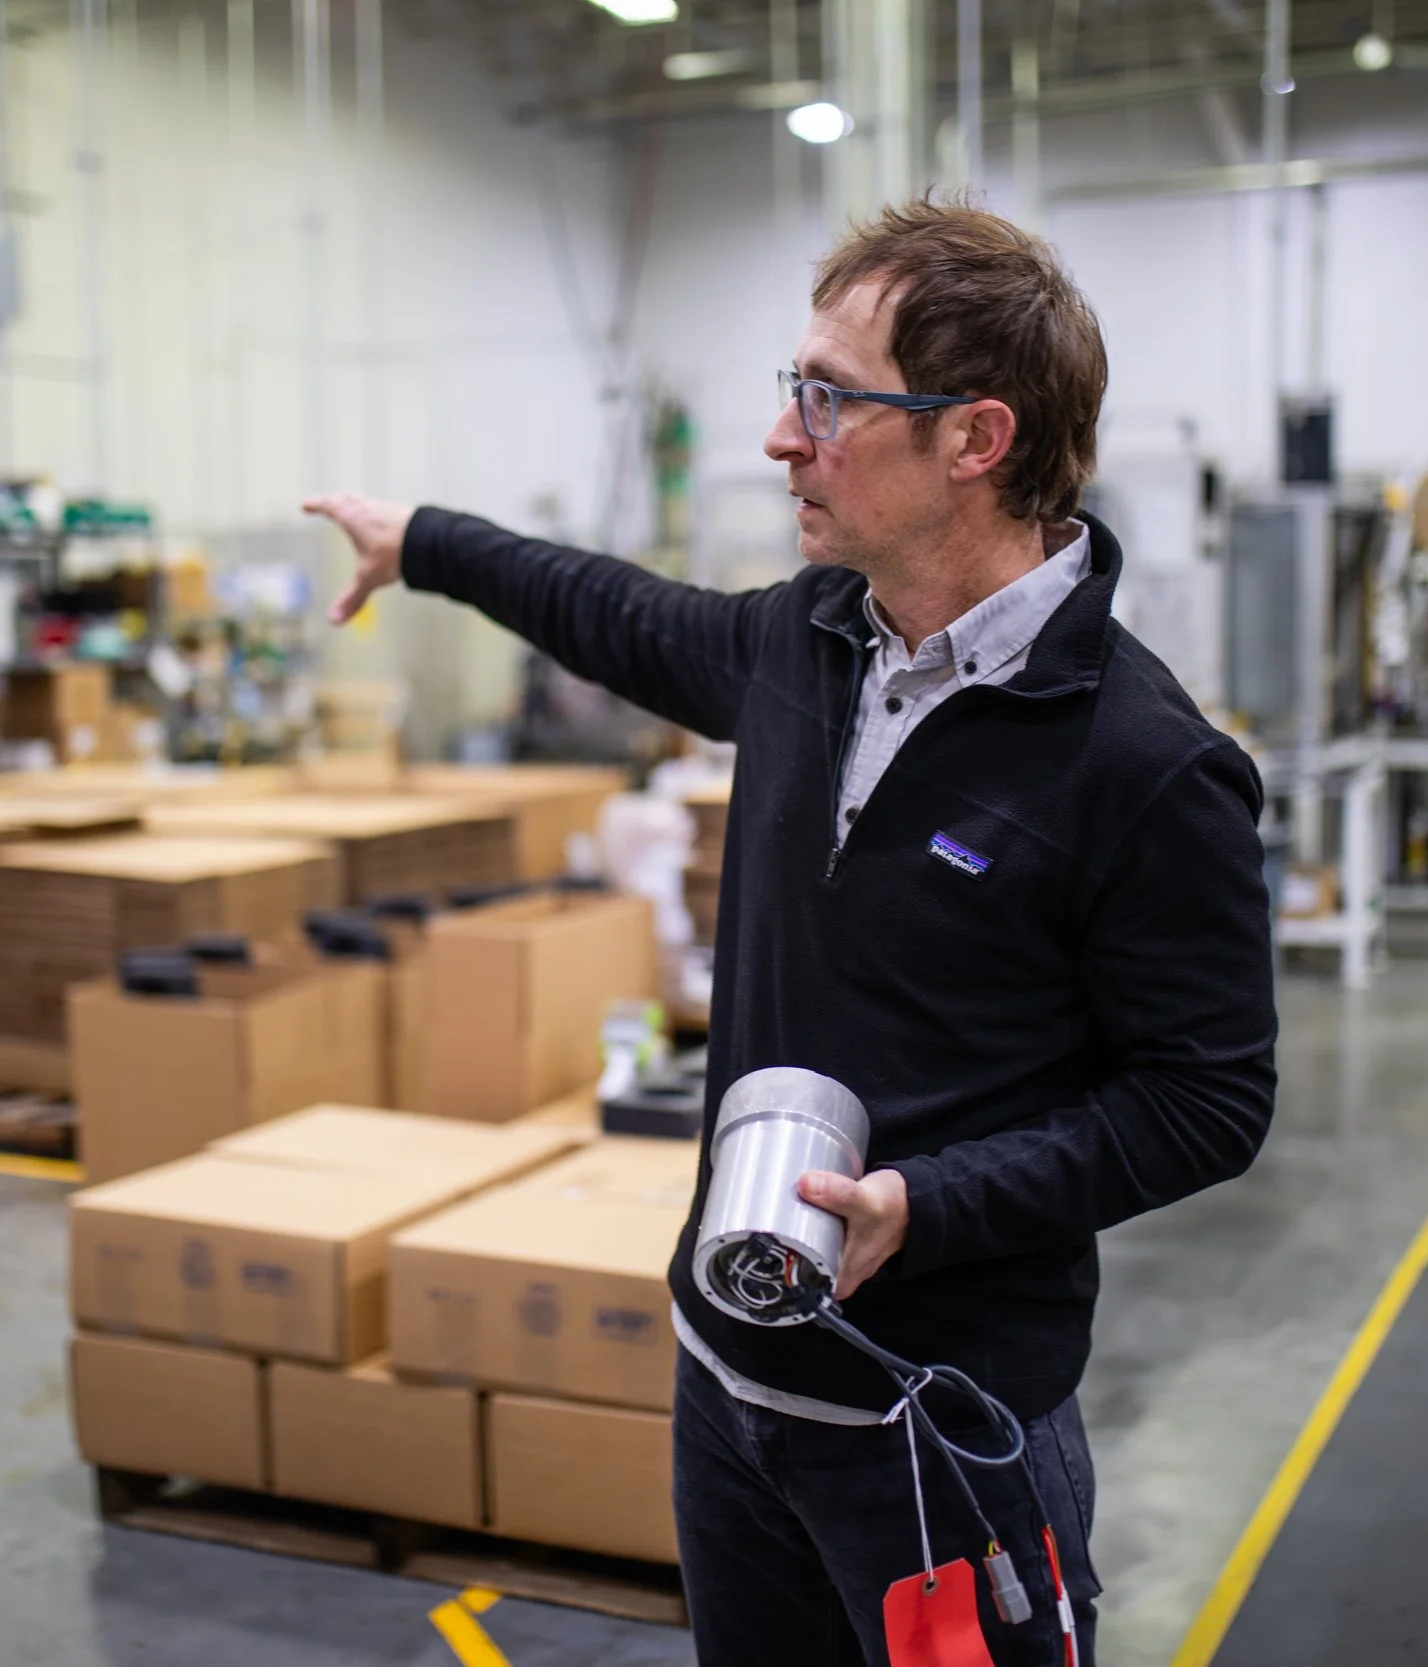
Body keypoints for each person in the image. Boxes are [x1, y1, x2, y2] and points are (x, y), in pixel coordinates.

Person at [306, 198, 1277, 1667]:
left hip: (939, 1427)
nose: (784, 436)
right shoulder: (809, 638)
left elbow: (1207, 1098)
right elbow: (620, 613)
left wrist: (926, 1204)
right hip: (731, 1383)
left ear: (976, 437)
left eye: (830, 397)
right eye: (793, 389)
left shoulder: (1140, 761)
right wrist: (426, 543)